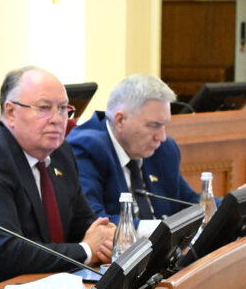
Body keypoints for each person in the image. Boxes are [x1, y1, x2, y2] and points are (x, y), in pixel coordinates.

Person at [0, 66, 114, 285]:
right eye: (44, 108)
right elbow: (10, 252)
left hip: (50, 283)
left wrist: (107, 238)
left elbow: (83, 222)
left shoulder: (60, 152)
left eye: (63, 108)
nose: (57, 119)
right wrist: (87, 250)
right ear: (11, 112)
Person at [67, 73, 199, 226]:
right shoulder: (86, 148)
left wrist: (222, 208)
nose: (162, 137)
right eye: (154, 125)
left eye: (164, 125)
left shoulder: (164, 149)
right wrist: (161, 228)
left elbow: (190, 202)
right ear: (120, 120)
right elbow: (94, 221)